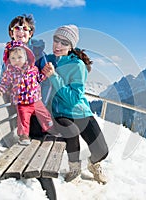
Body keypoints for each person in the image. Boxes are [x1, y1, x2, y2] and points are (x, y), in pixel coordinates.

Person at [41, 25, 109, 184]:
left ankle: (94, 165)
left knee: (102, 151)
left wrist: (53, 76)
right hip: (61, 113)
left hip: (81, 112)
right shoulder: (50, 60)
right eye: (56, 40)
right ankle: (74, 167)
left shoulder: (77, 65)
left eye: (64, 42)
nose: (58, 45)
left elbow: (72, 98)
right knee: (71, 132)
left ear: (71, 46)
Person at [0, 42, 53, 145]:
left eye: (19, 57)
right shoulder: (10, 72)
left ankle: (50, 129)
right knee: (23, 119)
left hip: (35, 100)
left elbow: (39, 78)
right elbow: (4, 83)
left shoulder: (33, 69)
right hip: (21, 102)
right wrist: (0, 90)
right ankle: (23, 136)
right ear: (9, 60)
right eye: (13, 58)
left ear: (26, 58)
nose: (16, 61)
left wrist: (44, 73)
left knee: (44, 115)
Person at [0, 14, 46, 82]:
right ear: (12, 33)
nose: (21, 31)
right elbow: (3, 78)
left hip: (33, 90)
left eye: (25, 29)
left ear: (30, 33)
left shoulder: (38, 52)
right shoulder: (9, 53)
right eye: (17, 28)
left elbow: (45, 80)